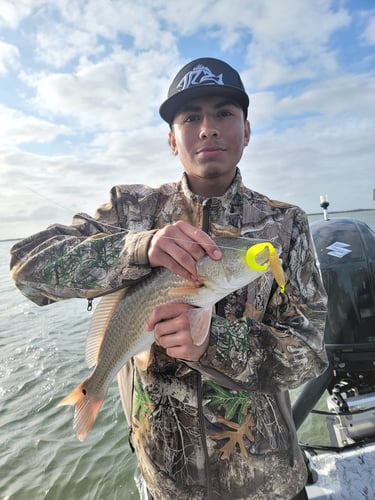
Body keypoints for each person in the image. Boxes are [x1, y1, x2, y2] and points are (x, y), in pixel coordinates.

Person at [10, 57, 328, 499]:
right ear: (171, 141)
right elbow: (26, 266)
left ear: (247, 131)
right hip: (167, 483)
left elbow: (310, 354)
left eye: (224, 113)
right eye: (191, 116)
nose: (208, 128)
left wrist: (213, 343)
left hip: (268, 485)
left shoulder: (286, 225)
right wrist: (135, 247)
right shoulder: (128, 211)